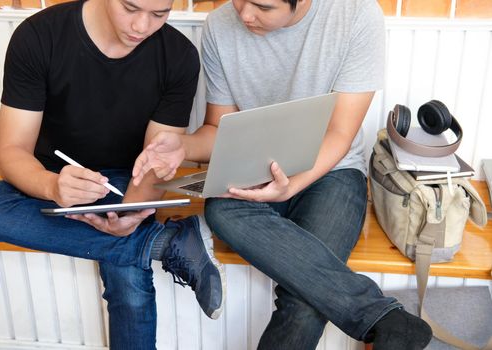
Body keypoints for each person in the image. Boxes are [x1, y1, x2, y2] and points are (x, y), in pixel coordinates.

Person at [134, 0, 433, 349]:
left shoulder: (356, 15)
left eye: (263, 6)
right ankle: (383, 317)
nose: (245, 14)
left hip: (331, 171)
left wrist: (292, 185)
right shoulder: (219, 26)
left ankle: (385, 320)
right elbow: (219, 128)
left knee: (303, 302)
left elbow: (339, 133)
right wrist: (183, 147)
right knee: (219, 209)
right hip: (255, 167)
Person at [0, 1, 225, 349]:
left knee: (127, 277)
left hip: (123, 179)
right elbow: (12, 152)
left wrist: (132, 215)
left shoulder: (178, 55)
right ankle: (164, 243)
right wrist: (52, 185)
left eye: (159, 14)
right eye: (131, 8)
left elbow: (154, 159)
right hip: (48, 174)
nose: (142, 26)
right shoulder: (38, 36)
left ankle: (146, 242)